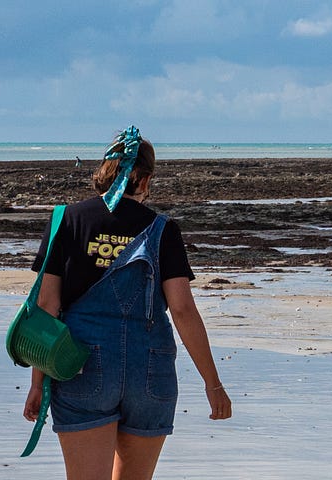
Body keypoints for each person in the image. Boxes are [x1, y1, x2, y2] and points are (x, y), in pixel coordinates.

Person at [22, 127, 231, 480]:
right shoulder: (163, 230)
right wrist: (213, 384)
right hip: (149, 368)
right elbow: (181, 309)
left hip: (80, 365)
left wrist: (37, 382)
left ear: (105, 169)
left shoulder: (67, 220)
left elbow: (46, 306)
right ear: (146, 180)